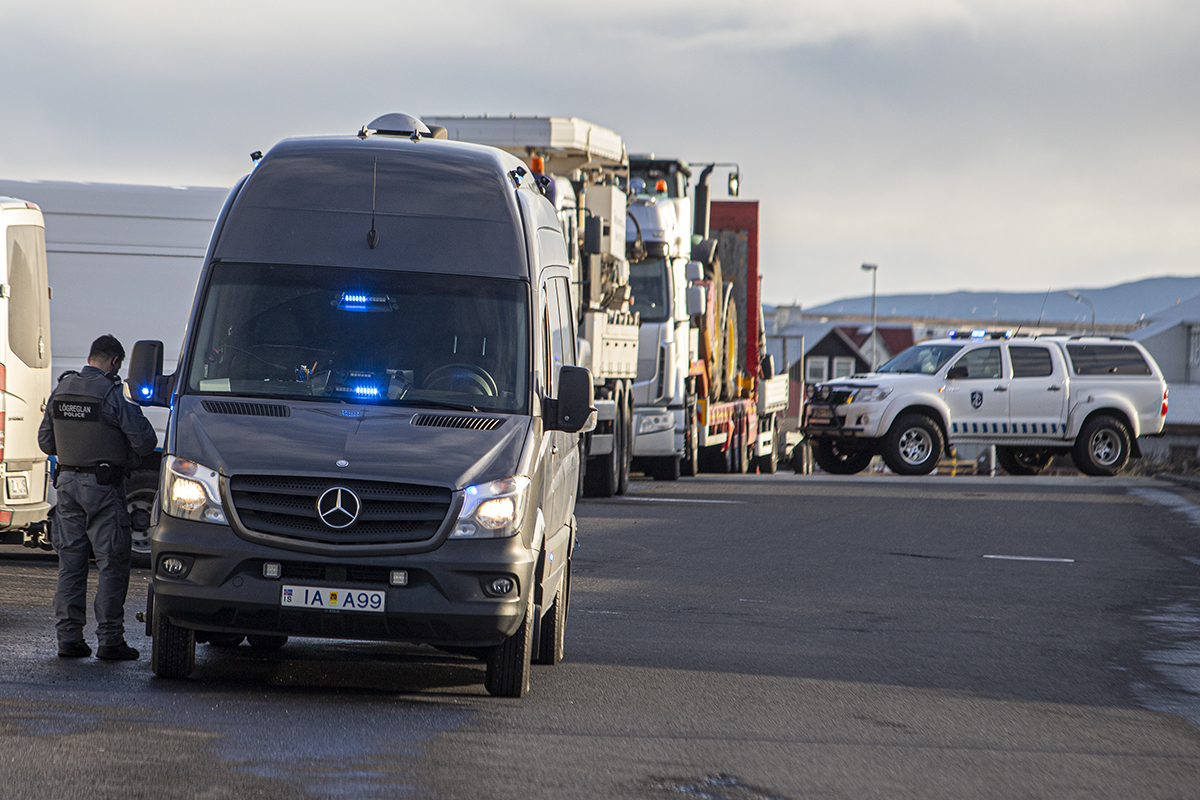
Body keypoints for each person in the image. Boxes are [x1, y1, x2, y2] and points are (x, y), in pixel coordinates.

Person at [38, 335, 157, 660]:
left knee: (71, 566)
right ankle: (110, 641)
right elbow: (145, 443)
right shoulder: (112, 393)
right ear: (116, 362)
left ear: (90, 357)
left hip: (67, 488)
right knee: (112, 564)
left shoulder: (61, 390)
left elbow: (46, 443)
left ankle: (69, 639)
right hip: (103, 489)